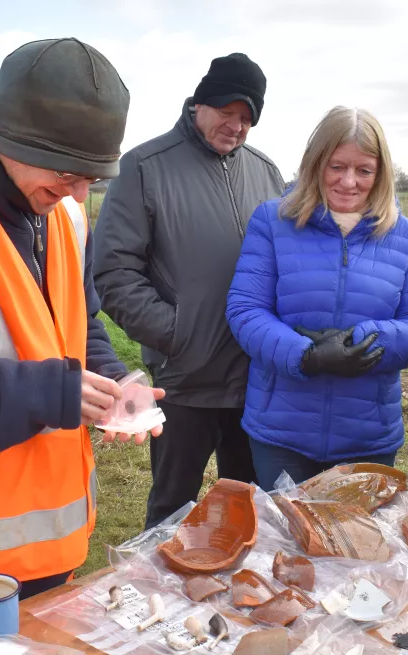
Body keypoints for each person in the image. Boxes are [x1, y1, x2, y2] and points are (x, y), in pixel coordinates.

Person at [0, 38, 163, 638]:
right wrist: (50, 394)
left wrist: (112, 388)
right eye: (70, 173)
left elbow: (79, 323)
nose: (81, 194)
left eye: (93, 177)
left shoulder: (63, 213)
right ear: (11, 140)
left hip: (53, 559)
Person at [94, 53, 285, 529]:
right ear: (200, 103)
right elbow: (113, 272)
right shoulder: (144, 166)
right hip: (185, 380)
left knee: (249, 508)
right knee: (172, 509)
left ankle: (243, 599)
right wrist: (178, 335)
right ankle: (154, 598)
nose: (236, 125)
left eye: (247, 118)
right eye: (227, 110)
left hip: (254, 379)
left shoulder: (266, 172)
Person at [226, 106, 408, 490]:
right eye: (336, 166)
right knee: (287, 542)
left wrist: (360, 344)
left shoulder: (406, 236)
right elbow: (246, 310)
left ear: (381, 174)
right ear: (315, 164)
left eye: (364, 170)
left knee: (356, 547)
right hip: (281, 430)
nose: (349, 182)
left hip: (368, 437)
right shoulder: (272, 222)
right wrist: (305, 355)